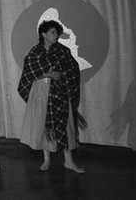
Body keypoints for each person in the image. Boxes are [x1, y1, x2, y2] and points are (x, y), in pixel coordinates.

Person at [17, 20, 87, 173]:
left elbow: (73, 68)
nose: (56, 35)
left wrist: (62, 74)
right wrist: (47, 74)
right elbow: (28, 73)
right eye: (52, 32)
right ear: (44, 34)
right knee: (44, 125)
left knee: (65, 124)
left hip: (60, 92)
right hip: (42, 92)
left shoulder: (63, 51)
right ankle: (46, 159)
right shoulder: (35, 52)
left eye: (57, 32)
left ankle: (69, 161)